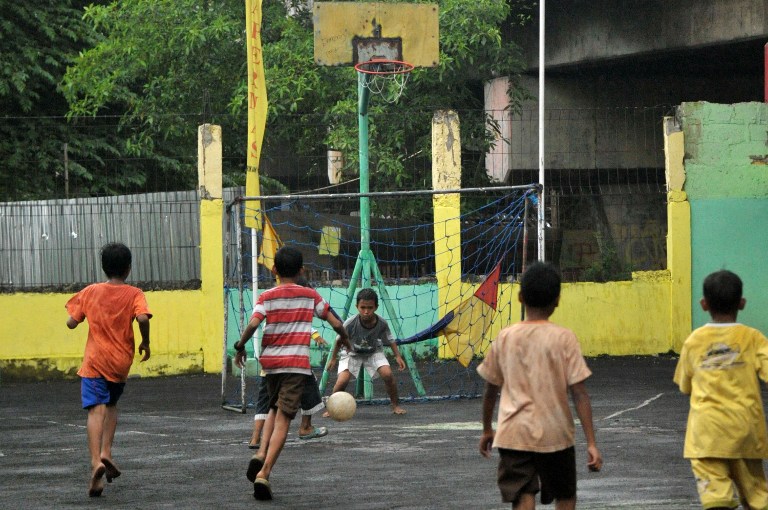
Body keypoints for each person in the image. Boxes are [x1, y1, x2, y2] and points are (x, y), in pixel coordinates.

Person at [477, 261, 602, 510]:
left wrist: (487, 429)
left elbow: (491, 389)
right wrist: (591, 442)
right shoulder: (565, 338)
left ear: (520, 297)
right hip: (556, 433)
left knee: (522, 493)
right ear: (557, 300)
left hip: (513, 434)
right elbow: (579, 394)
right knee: (565, 494)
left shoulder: (505, 337)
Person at [234, 246, 351, 500]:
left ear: (274, 270)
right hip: (295, 366)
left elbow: (254, 323)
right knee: (285, 419)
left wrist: (240, 347)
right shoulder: (310, 295)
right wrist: (345, 338)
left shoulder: (266, 297)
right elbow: (335, 321)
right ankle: (264, 473)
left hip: (271, 365)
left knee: (274, 409)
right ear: (302, 271)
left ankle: (261, 452)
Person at [674, 269, 768, 510]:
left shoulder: (694, 341)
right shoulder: (753, 338)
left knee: (717, 499)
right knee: (758, 496)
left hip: (706, 434)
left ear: (704, 304)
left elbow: (685, 386)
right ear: (742, 303)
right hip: (746, 430)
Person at [65, 242, 151, 498]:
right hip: (121, 361)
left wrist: (81, 316)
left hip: (95, 361)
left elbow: (71, 323)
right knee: (111, 404)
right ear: (128, 269)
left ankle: (96, 462)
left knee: (95, 409)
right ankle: (107, 452)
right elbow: (143, 318)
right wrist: (145, 341)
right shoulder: (135, 293)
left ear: (103, 268)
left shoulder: (91, 291)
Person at [248, 278, 334, 448]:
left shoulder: (274, 306)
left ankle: (255, 438)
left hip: (269, 366)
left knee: (265, 401)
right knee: (309, 391)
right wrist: (318, 335)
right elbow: (300, 327)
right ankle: (306, 427)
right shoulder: (297, 308)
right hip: (295, 364)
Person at [327, 288, 407, 415]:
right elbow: (339, 340)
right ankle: (331, 409)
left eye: (370, 308)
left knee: (388, 374)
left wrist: (397, 356)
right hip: (352, 353)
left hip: (373, 352)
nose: (366, 311)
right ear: (357, 306)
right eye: (362, 307)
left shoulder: (382, 323)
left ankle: (395, 405)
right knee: (342, 381)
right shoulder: (351, 323)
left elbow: (390, 339)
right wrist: (332, 359)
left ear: (376, 307)